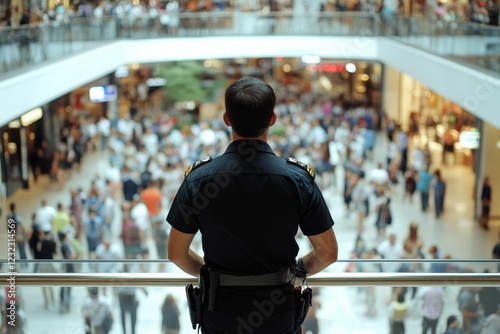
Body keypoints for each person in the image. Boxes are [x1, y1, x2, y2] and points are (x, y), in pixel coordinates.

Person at [166, 77, 338, 334]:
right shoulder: (297, 179)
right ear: (272, 119)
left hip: (220, 311)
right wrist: (297, 271)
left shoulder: (199, 180)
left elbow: (176, 253)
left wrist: (211, 276)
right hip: (278, 313)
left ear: (226, 118)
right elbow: (328, 252)